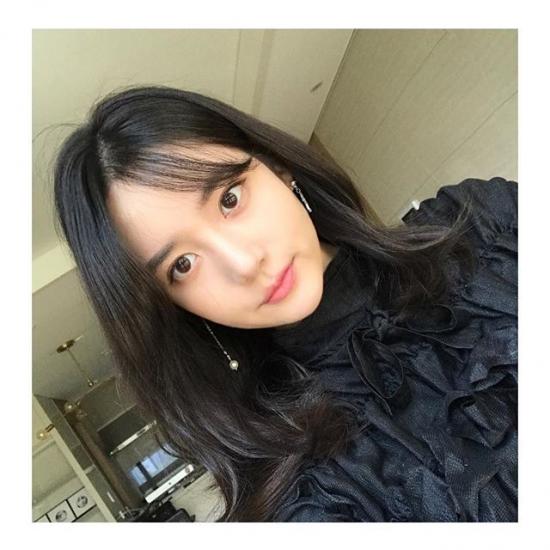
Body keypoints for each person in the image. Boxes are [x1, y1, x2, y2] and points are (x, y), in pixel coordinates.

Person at [52, 85, 517, 522]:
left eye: (229, 198)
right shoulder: (305, 494)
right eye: (183, 265)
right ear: (177, 309)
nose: (244, 263)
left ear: (278, 168)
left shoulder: (483, 225)